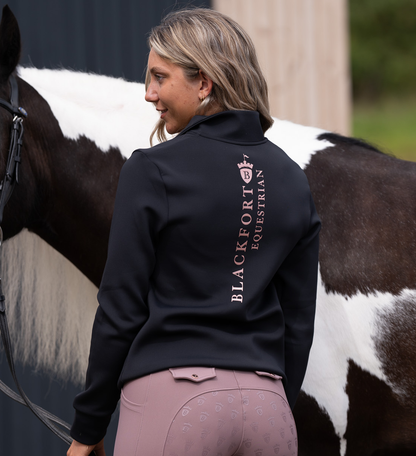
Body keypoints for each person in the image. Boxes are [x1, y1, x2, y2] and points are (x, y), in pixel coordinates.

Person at [68, 8, 320, 456]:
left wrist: (88, 428)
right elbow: (299, 322)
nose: (149, 94)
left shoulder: (152, 170)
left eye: (160, 78)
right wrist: (276, 400)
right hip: (270, 411)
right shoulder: (291, 178)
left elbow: (120, 310)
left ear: (203, 83)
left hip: (176, 406)